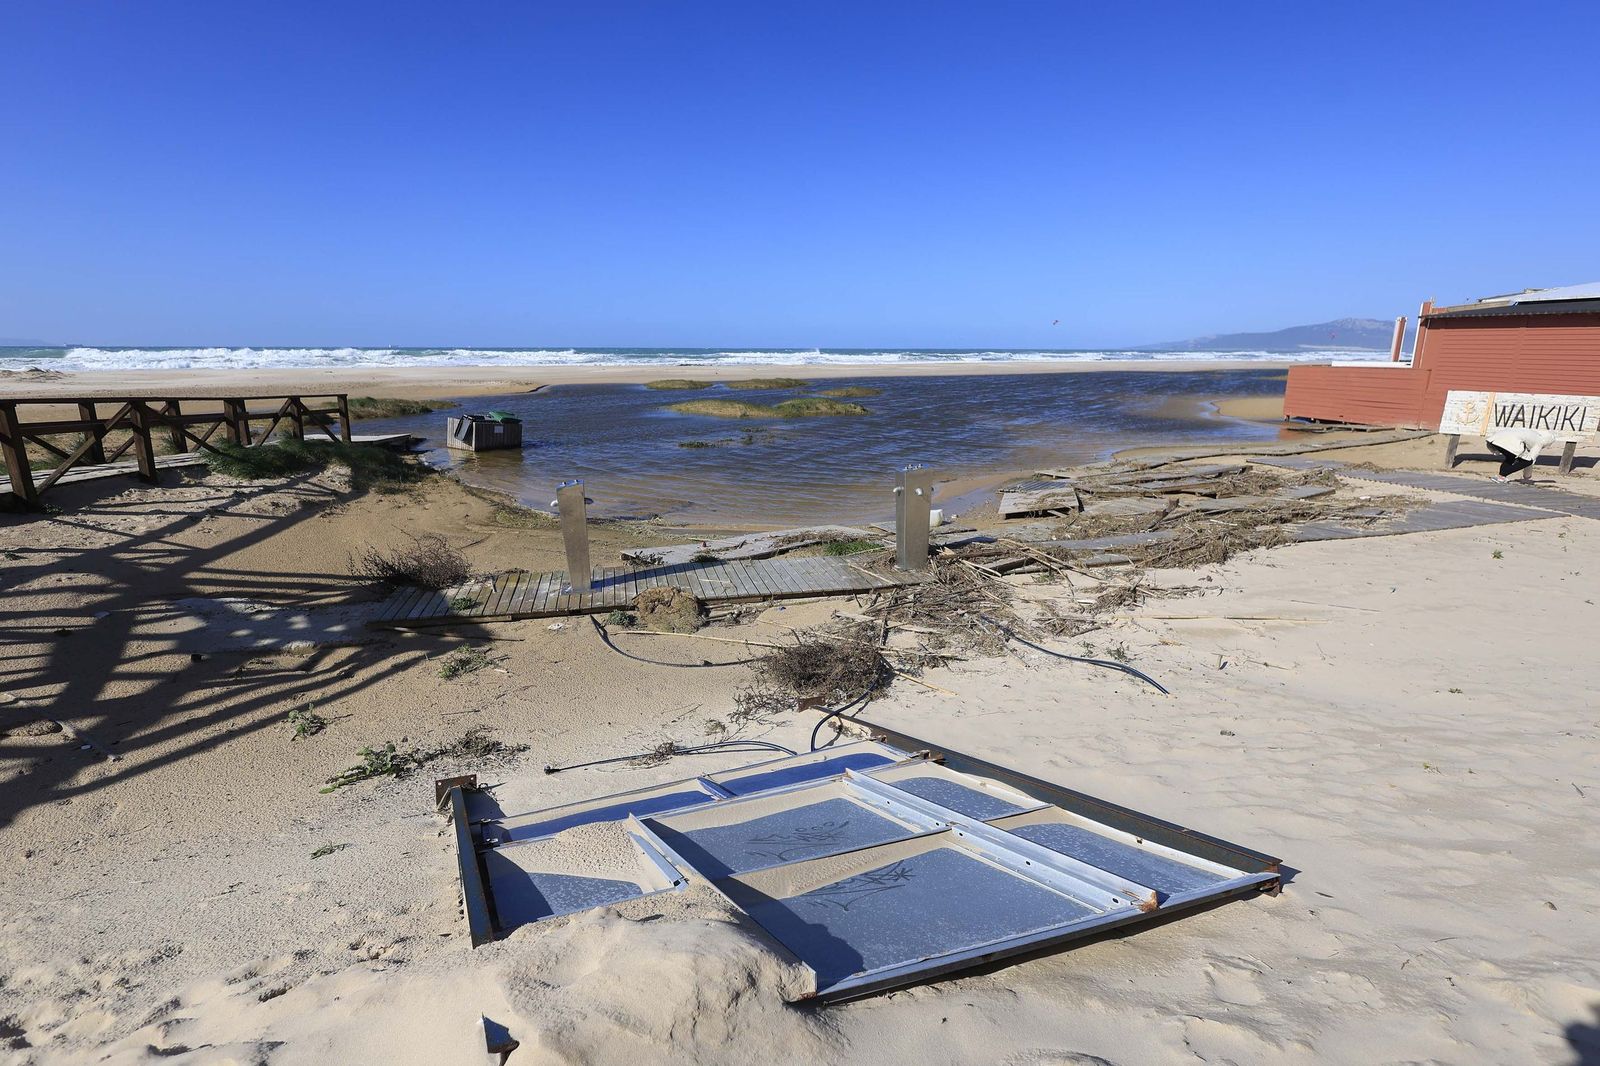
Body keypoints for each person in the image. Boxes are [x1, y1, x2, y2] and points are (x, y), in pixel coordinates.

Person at [1485, 427, 1558, 482]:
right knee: (1527, 461)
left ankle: (1501, 476)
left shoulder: (1532, 433)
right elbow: (1531, 460)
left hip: (1494, 439)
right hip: (1509, 442)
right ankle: (1501, 477)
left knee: (1511, 457)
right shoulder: (1540, 441)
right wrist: (1527, 477)